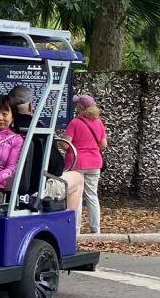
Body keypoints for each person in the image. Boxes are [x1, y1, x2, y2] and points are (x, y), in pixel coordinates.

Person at [8, 85, 84, 215]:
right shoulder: (40, 131)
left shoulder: (2, 130)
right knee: (78, 178)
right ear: (31, 107)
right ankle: (71, 226)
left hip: (5, 184)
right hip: (34, 188)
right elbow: (57, 167)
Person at [63, 95, 108, 234]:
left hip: (76, 163)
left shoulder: (75, 123)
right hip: (94, 163)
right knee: (92, 196)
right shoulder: (98, 122)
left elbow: (65, 145)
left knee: (76, 195)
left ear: (80, 107)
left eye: (77, 105)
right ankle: (96, 229)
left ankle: (75, 230)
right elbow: (104, 144)